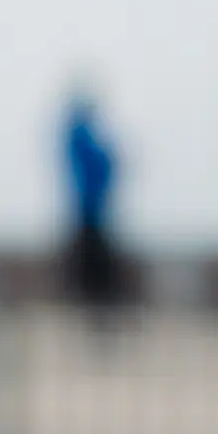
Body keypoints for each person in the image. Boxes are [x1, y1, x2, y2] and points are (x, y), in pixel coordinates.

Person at [60, 80, 124, 321]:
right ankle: (95, 309)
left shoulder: (77, 134)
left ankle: (94, 306)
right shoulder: (81, 135)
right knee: (94, 267)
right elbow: (104, 164)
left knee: (92, 267)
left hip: (91, 211)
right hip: (90, 211)